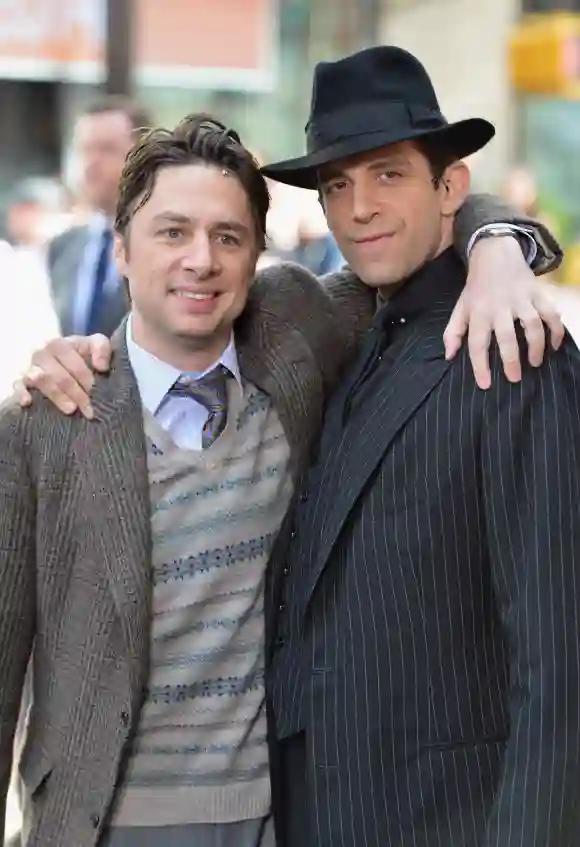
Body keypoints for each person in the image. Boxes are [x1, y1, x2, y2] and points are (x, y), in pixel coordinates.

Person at [7, 74, 565, 847]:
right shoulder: (47, 417)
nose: (200, 261)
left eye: (227, 237)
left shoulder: (296, 336)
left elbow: (426, 217)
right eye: (171, 232)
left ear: (258, 256)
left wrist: (502, 245)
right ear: (121, 247)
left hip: (281, 817)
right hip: (99, 823)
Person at [258, 47, 580, 846]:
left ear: (451, 188)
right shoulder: (353, 328)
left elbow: (559, 658)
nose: (358, 207)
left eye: (388, 174)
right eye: (337, 185)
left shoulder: (512, 344)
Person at [48, 96, 151, 338]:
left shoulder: (168, 245)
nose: (91, 162)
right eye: (84, 149)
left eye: (107, 149)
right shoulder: (63, 247)